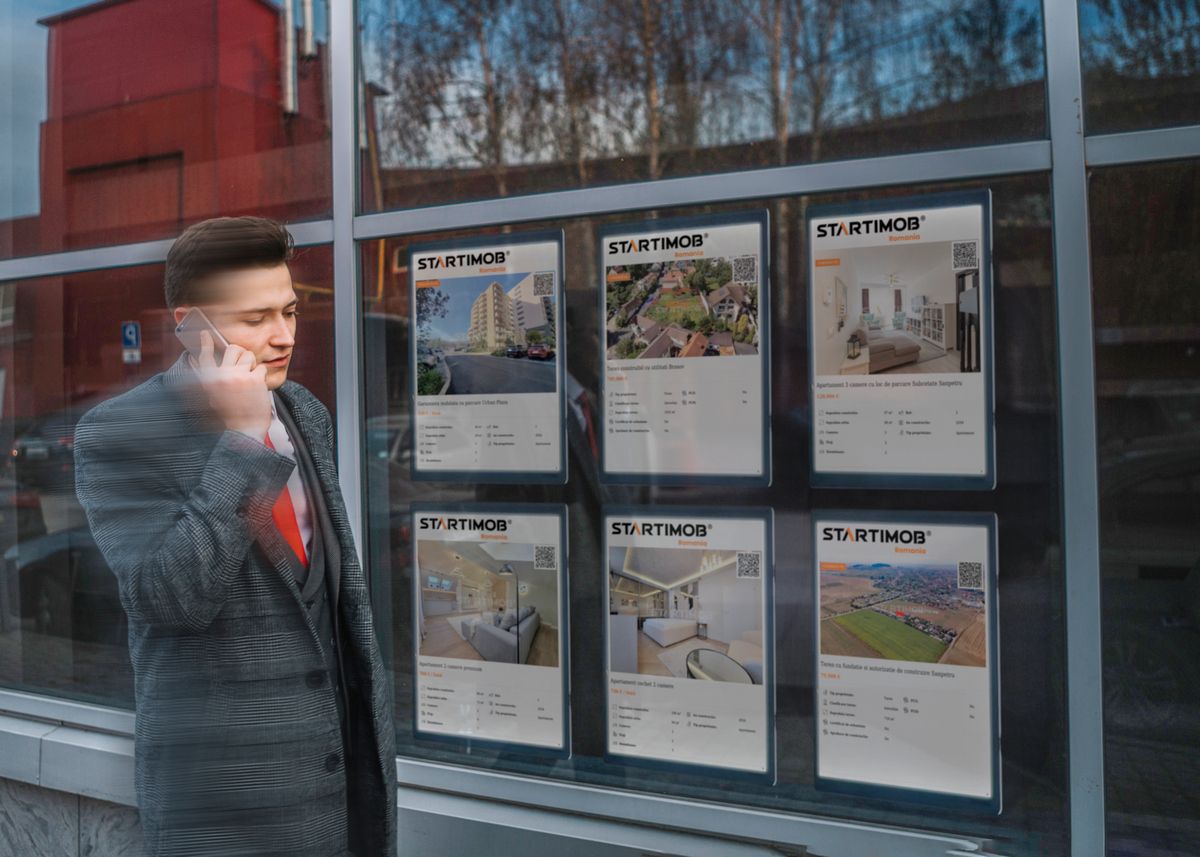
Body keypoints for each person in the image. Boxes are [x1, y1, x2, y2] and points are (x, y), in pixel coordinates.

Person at [74, 217, 396, 857]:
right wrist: (245, 441)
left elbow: (327, 598)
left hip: (341, 790)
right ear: (193, 326)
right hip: (221, 809)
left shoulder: (305, 411)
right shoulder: (120, 432)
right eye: (256, 319)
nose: (284, 336)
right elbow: (169, 600)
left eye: (290, 311)